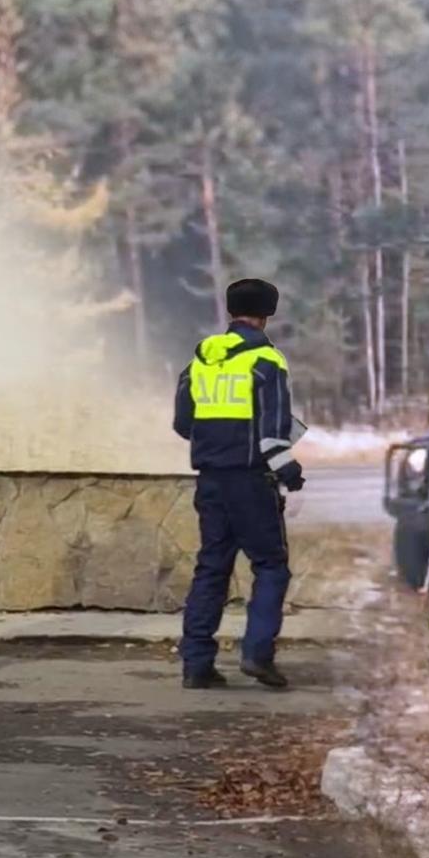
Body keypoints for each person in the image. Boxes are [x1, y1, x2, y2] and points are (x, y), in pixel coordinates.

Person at [172, 278, 305, 690]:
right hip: (250, 482)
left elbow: (183, 424)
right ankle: (257, 655)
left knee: (211, 568)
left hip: (209, 481)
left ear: (231, 311)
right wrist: (290, 473)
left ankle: (196, 664)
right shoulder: (267, 360)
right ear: (267, 313)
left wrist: (218, 440)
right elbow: (272, 435)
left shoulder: (201, 361)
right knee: (270, 567)